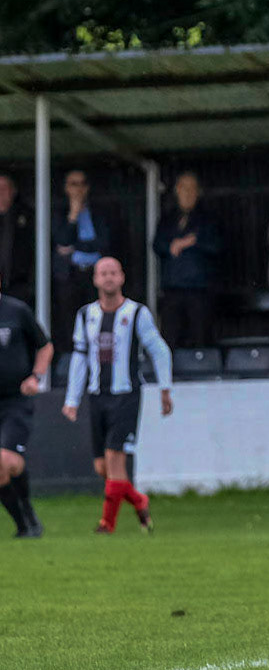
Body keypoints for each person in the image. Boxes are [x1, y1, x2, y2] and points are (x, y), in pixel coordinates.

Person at [62, 257, 173, 534]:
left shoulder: (137, 313)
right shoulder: (86, 315)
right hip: (97, 395)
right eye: (103, 273)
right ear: (96, 280)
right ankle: (138, 500)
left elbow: (159, 350)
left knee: (114, 458)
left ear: (122, 278)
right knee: (103, 467)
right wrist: (72, 399)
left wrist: (165, 388)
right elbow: (79, 357)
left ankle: (106, 524)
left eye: (113, 273)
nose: (108, 278)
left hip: (125, 395)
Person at [0, 281, 53, 538]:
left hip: (15, 400)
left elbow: (45, 346)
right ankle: (23, 524)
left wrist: (36, 376)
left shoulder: (16, 311)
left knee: (5, 460)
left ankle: (28, 514)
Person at [152, 171, 221, 349]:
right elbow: (157, 245)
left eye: (192, 188)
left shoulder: (208, 218)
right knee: (171, 338)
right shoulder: (167, 219)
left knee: (201, 338)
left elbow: (216, 246)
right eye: (184, 188)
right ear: (176, 190)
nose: (188, 192)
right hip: (172, 288)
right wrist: (174, 245)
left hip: (199, 289)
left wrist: (191, 243)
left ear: (198, 192)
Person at [51, 170, 109, 353]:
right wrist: (73, 216)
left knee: (97, 318)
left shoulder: (99, 212)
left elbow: (103, 243)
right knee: (69, 320)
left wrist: (75, 247)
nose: (78, 189)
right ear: (66, 188)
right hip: (70, 275)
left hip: (96, 275)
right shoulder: (58, 212)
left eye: (82, 183)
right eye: (73, 184)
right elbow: (60, 240)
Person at [0, 174, 34, 303]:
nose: (1, 192)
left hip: (19, 284)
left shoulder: (27, 216)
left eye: (5, 187)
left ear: (13, 191)